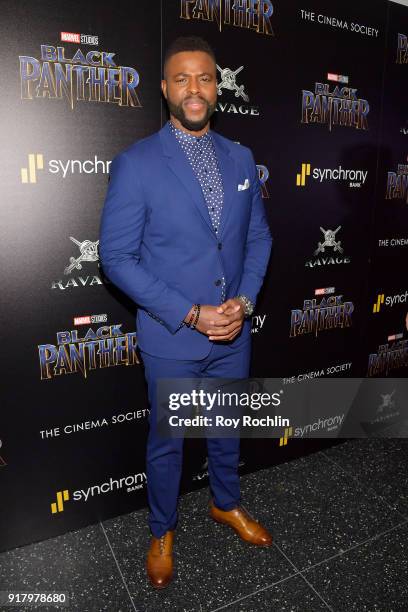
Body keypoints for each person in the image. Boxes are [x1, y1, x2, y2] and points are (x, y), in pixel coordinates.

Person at [99, 35, 273, 589]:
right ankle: (161, 529)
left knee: (226, 428)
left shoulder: (242, 158)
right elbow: (116, 258)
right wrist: (191, 313)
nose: (193, 89)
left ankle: (226, 503)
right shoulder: (137, 164)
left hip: (234, 332)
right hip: (174, 335)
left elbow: (259, 240)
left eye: (204, 78)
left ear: (217, 87)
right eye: (182, 79)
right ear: (165, 88)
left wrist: (243, 304)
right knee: (169, 442)